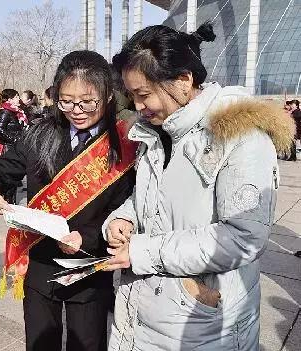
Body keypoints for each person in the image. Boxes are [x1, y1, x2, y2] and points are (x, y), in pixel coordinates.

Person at [102, 22, 295, 350]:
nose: (137, 107)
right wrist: (124, 218)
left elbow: (243, 237)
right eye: (131, 95)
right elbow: (148, 197)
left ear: (183, 80)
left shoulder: (239, 136)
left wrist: (144, 251)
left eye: (144, 94)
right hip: (144, 309)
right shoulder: (156, 133)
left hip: (199, 321)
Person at [0, 50, 136, 351]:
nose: (77, 110)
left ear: (108, 96)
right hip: (41, 263)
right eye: (66, 100)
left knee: (86, 344)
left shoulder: (125, 144)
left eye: (88, 101)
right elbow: (2, 170)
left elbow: (125, 205)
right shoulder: (39, 134)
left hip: (89, 267)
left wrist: (85, 236)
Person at [0, 89, 26, 204]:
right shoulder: (5, 111)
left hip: (15, 146)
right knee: (10, 176)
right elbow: (0, 130)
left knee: (13, 176)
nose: (19, 99)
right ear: (10, 99)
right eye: (17, 97)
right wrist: (14, 139)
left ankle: (10, 200)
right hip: (9, 147)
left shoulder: (16, 112)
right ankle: (8, 200)